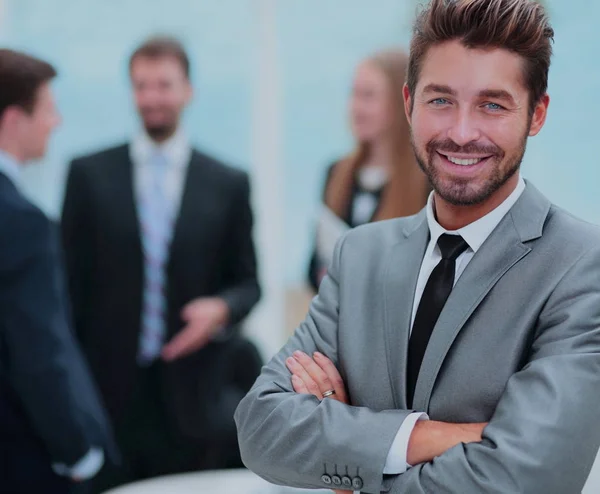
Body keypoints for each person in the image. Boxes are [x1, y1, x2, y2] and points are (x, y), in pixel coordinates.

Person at [235, 1, 600, 493]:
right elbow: (260, 427)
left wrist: (354, 461)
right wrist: (428, 437)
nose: (462, 132)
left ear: (536, 114)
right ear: (408, 104)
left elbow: (531, 477)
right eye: (440, 100)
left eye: (493, 105)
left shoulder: (580, 267)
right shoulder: (359, 256)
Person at [61, 36, 262, 492]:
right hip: (106, 395)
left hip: (195, 398)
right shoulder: (87, 175)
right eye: (142, 85)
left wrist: (222, 309)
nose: (152, 97)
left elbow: (249, 283)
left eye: (164, 85)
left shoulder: (228, 182)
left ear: (187, 90)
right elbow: (67, 290)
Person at [0, 49, 117, 494]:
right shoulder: (21, 221)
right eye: (48, 108)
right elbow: (38, 354)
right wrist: (77, 451)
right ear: (14, 119)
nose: (56, 121)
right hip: (21, 458)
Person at [307, 49, 430, 291]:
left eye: (368, 96)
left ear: (402, 101)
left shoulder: (427, 183)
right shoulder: (336, 172)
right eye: (353, 94)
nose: (355, 107)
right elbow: (313, 268)